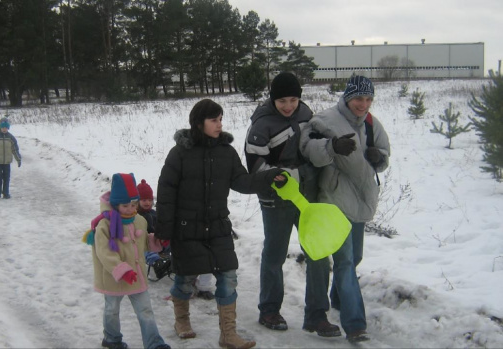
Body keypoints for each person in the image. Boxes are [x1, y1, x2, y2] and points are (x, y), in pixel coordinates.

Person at [155, 98, 284, 349]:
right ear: (198, 123)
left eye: (220, 119)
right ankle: (181, 321)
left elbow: (242, 182)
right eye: (214, 120)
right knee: (184, 279)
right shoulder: (180, 153)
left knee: (228, 277)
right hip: (186, 228)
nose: (219, 124)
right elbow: (166, 191)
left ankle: (228, 334)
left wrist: (269, 177)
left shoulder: (226, 152)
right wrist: (164, 229)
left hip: (217, 227)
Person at [244, 72, 341, 336]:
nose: (289, 106)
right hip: (276, 199)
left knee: (318, 252)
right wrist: (284, 176)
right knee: (275, 254)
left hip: (308, 197)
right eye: (283, 101)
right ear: (273, 99)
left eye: (294, 100)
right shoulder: (261, 126)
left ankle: (317, 315)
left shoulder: (306, 115)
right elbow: (255, 166)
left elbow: (315, 147)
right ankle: (269, 309)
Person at [299, 75, 390, 342]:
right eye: (358, 98)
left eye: (368, 99)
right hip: (333, 199)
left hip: (361, 199)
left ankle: (338, 298)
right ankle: (355, 324)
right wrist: (331, 146)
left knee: (355, 256)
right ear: (347, 97)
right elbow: (308, 150)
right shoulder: (325, 120)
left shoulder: (372, 124)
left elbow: (384, 154)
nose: (363, 104)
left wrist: (379, 158)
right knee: (346, 262)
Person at [84, 173, 170, 349]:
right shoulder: (105, 225)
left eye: (133, 204)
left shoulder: (139, 220)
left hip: (136, 276)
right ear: (116, 204)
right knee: (112, 310)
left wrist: (158, 241)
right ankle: (112, 339)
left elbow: (144, 242)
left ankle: (154, 343)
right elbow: (104, 252)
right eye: (125, 205)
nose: (130, 209)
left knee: (145, 311)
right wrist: (122, 270)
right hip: (113, 278)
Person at [0, 117, 21, 199]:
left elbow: (15, 149)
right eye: (3, 127)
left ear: (8, 128)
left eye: (6, 128)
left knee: (6, 177)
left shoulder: (10, 137)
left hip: (7, 162)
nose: (4, 129)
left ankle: (6, 192)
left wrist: (18, 159)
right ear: (0, 127)